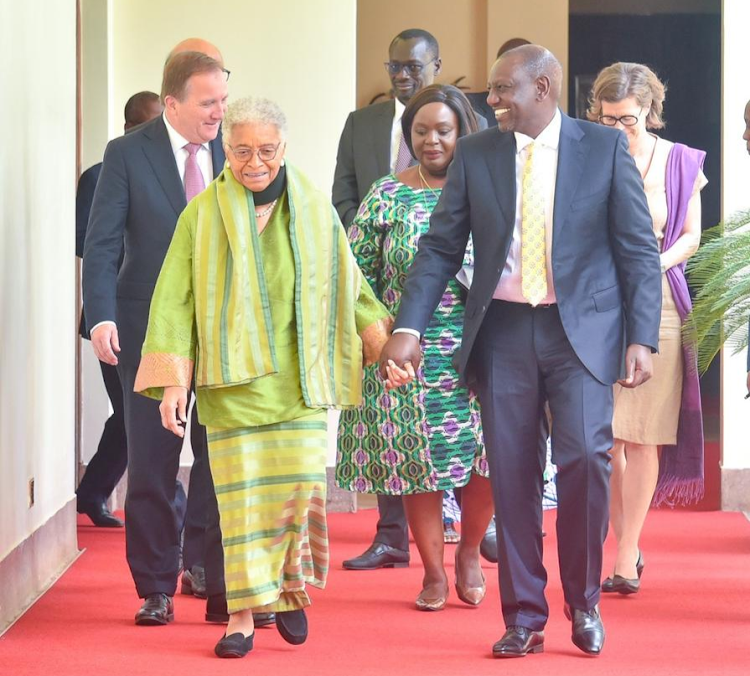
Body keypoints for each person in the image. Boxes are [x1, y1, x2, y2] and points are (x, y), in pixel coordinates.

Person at [379, 45, 661, 657]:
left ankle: (583, 602)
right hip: (503, 331)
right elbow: (440, 248)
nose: (494, 100)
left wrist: (641, 336)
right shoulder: (478, 154)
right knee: (511, 471)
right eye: (493, 90)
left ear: (543, 86)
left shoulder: (602, 148)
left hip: (580, 332)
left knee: (586, 458)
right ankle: (525, 615)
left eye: (505, 88)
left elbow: (637, 249)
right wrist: (409, 326)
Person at [134, 96, 390, 658]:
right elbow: (174, 302)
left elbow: (350, 286)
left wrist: (379, 341)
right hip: (232, 391)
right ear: (226, 150)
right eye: (243, 150)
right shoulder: (200, 215)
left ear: (284, 149)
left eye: (267, 150)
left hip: (300, 385)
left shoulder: (314, 209)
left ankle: (290, 591)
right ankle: (243, 616)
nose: (255, 162)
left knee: (298, 499)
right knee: (242, 507)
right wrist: (174, 380)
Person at [332, 28, 489, 572]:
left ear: (461, 131)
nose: (433, 142)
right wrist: (379, 339)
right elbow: (356, 276)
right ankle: (433, 571)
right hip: (408, 352)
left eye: (443, 131)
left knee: (487, 460)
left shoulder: (491, 186)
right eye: (421, 131)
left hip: (482, 349)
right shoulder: (387, 192)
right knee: (416, 462)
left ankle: (469, 552)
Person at [83, 46, 228, 626]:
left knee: (217, 455)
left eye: (223, 98)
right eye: (207, 102)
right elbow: (101, 244)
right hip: (149, 330)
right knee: (152, 460)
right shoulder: (126, 154)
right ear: (172, 103)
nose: (219, 112)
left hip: (220, 330)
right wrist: (101, 315)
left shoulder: (236, 148)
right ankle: (155, 585)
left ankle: (208, 571)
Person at [588, 62, 706, 595]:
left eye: (628, 120)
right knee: (606, 437)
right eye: (607, 119)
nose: (617, 129)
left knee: (642, 439)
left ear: (650, 113)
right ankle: (622, 543)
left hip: (658, 302)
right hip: (597, 304)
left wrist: (649, 264)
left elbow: (690, 237)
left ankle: (628, 552)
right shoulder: (587, 155)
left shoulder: (681, 161)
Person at [76, 91, 163, 529]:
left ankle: (91, 492)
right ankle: (95, 492)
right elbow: (88, 244)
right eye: (148, 123)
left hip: (157, 316)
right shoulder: (100, 174)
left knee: (134, 416)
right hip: (113, 315)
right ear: (129, 127)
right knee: (133, 415)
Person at [466, 38, 531, 127]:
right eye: (490, 88)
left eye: (504, 86)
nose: (491, 99)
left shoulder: (547, 118)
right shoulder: (472, 108)